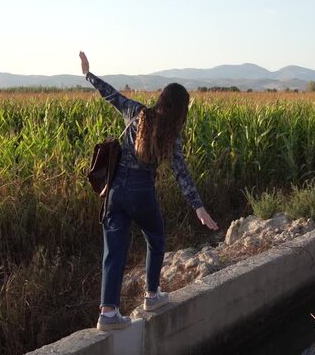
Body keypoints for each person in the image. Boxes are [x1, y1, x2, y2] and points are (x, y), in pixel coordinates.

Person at [79, 51, 218, 331]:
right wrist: (198, 207)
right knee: (155, 239)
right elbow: (182, 174)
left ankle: (108, 313)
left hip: (115, 191)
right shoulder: (171, 135)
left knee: (113, 251)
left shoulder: (136, 112)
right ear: (181, 110)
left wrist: (88, 74)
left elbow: (111, 95)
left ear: (160, 99)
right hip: (142, 192)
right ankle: (152, 296)